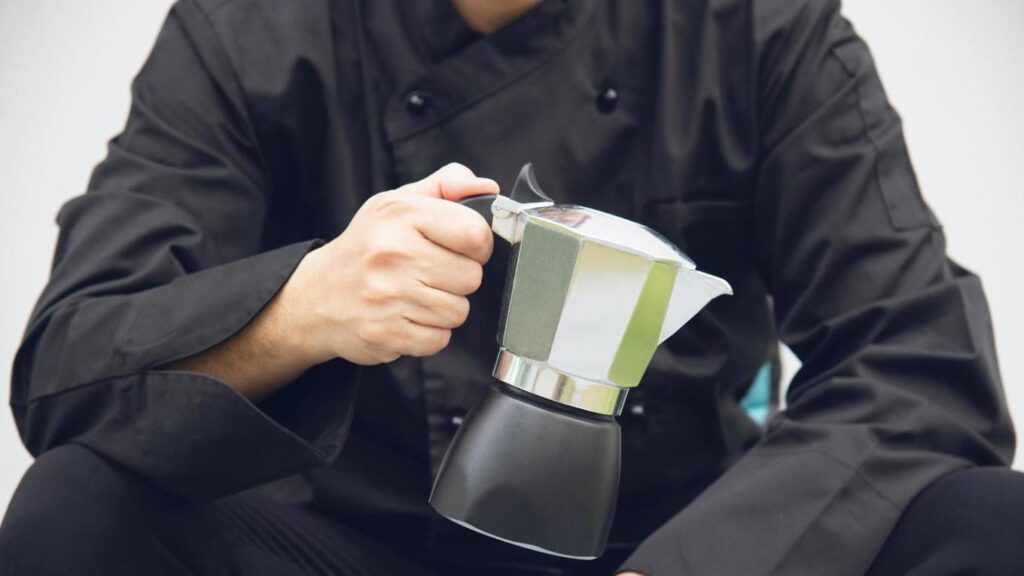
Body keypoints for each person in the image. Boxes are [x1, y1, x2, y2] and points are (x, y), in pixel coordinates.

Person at [1, 0, 1022, 574]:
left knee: (987, 524)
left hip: (675, 542)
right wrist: (297, 311)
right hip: (348, 545)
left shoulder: (756, 26)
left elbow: (919, 364)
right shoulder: (249, 29)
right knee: (77, 510)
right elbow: (68, 370)